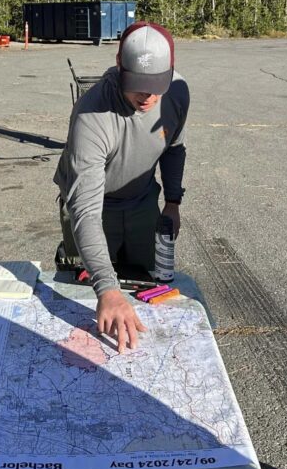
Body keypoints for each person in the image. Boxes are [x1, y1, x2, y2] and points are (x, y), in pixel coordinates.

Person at [53, 21, 189, 354]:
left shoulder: (178, 92)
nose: (149, 96)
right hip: (94, 207)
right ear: (119, 65)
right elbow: (84, 211)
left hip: (142, 201)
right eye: (139, 86)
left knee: (147, 288)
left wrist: (172, 202)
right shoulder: (91, 114)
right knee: (88, 293)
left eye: (157, 85)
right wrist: (107, 290)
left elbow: (173, 147)